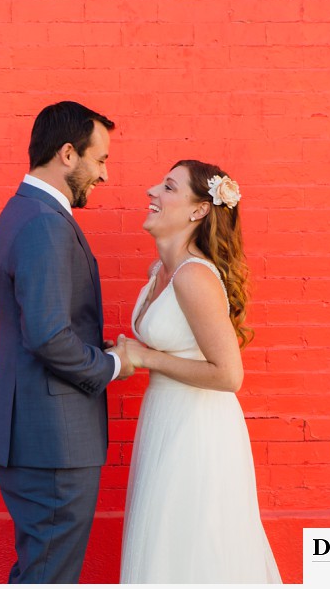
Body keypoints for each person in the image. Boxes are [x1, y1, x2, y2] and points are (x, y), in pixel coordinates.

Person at [0, 101, 136, 583]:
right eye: (101, 159)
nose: (104, 176)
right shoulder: (45, 223)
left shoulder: (24, 213)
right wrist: (111, 366)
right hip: (54, 444)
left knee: (41, 571)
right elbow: (48, 336)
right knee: (50, 576)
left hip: (39, 438)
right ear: (68, 154)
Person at [118, 160, 282, 583]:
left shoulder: (194, 277)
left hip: (197, 431)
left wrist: (145, 358)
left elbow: (229, 376)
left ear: (199, 210)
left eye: (168, 187)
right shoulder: (160, 273)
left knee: (195, 549)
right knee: (165, 549)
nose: (152, 192)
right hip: (166, 419)